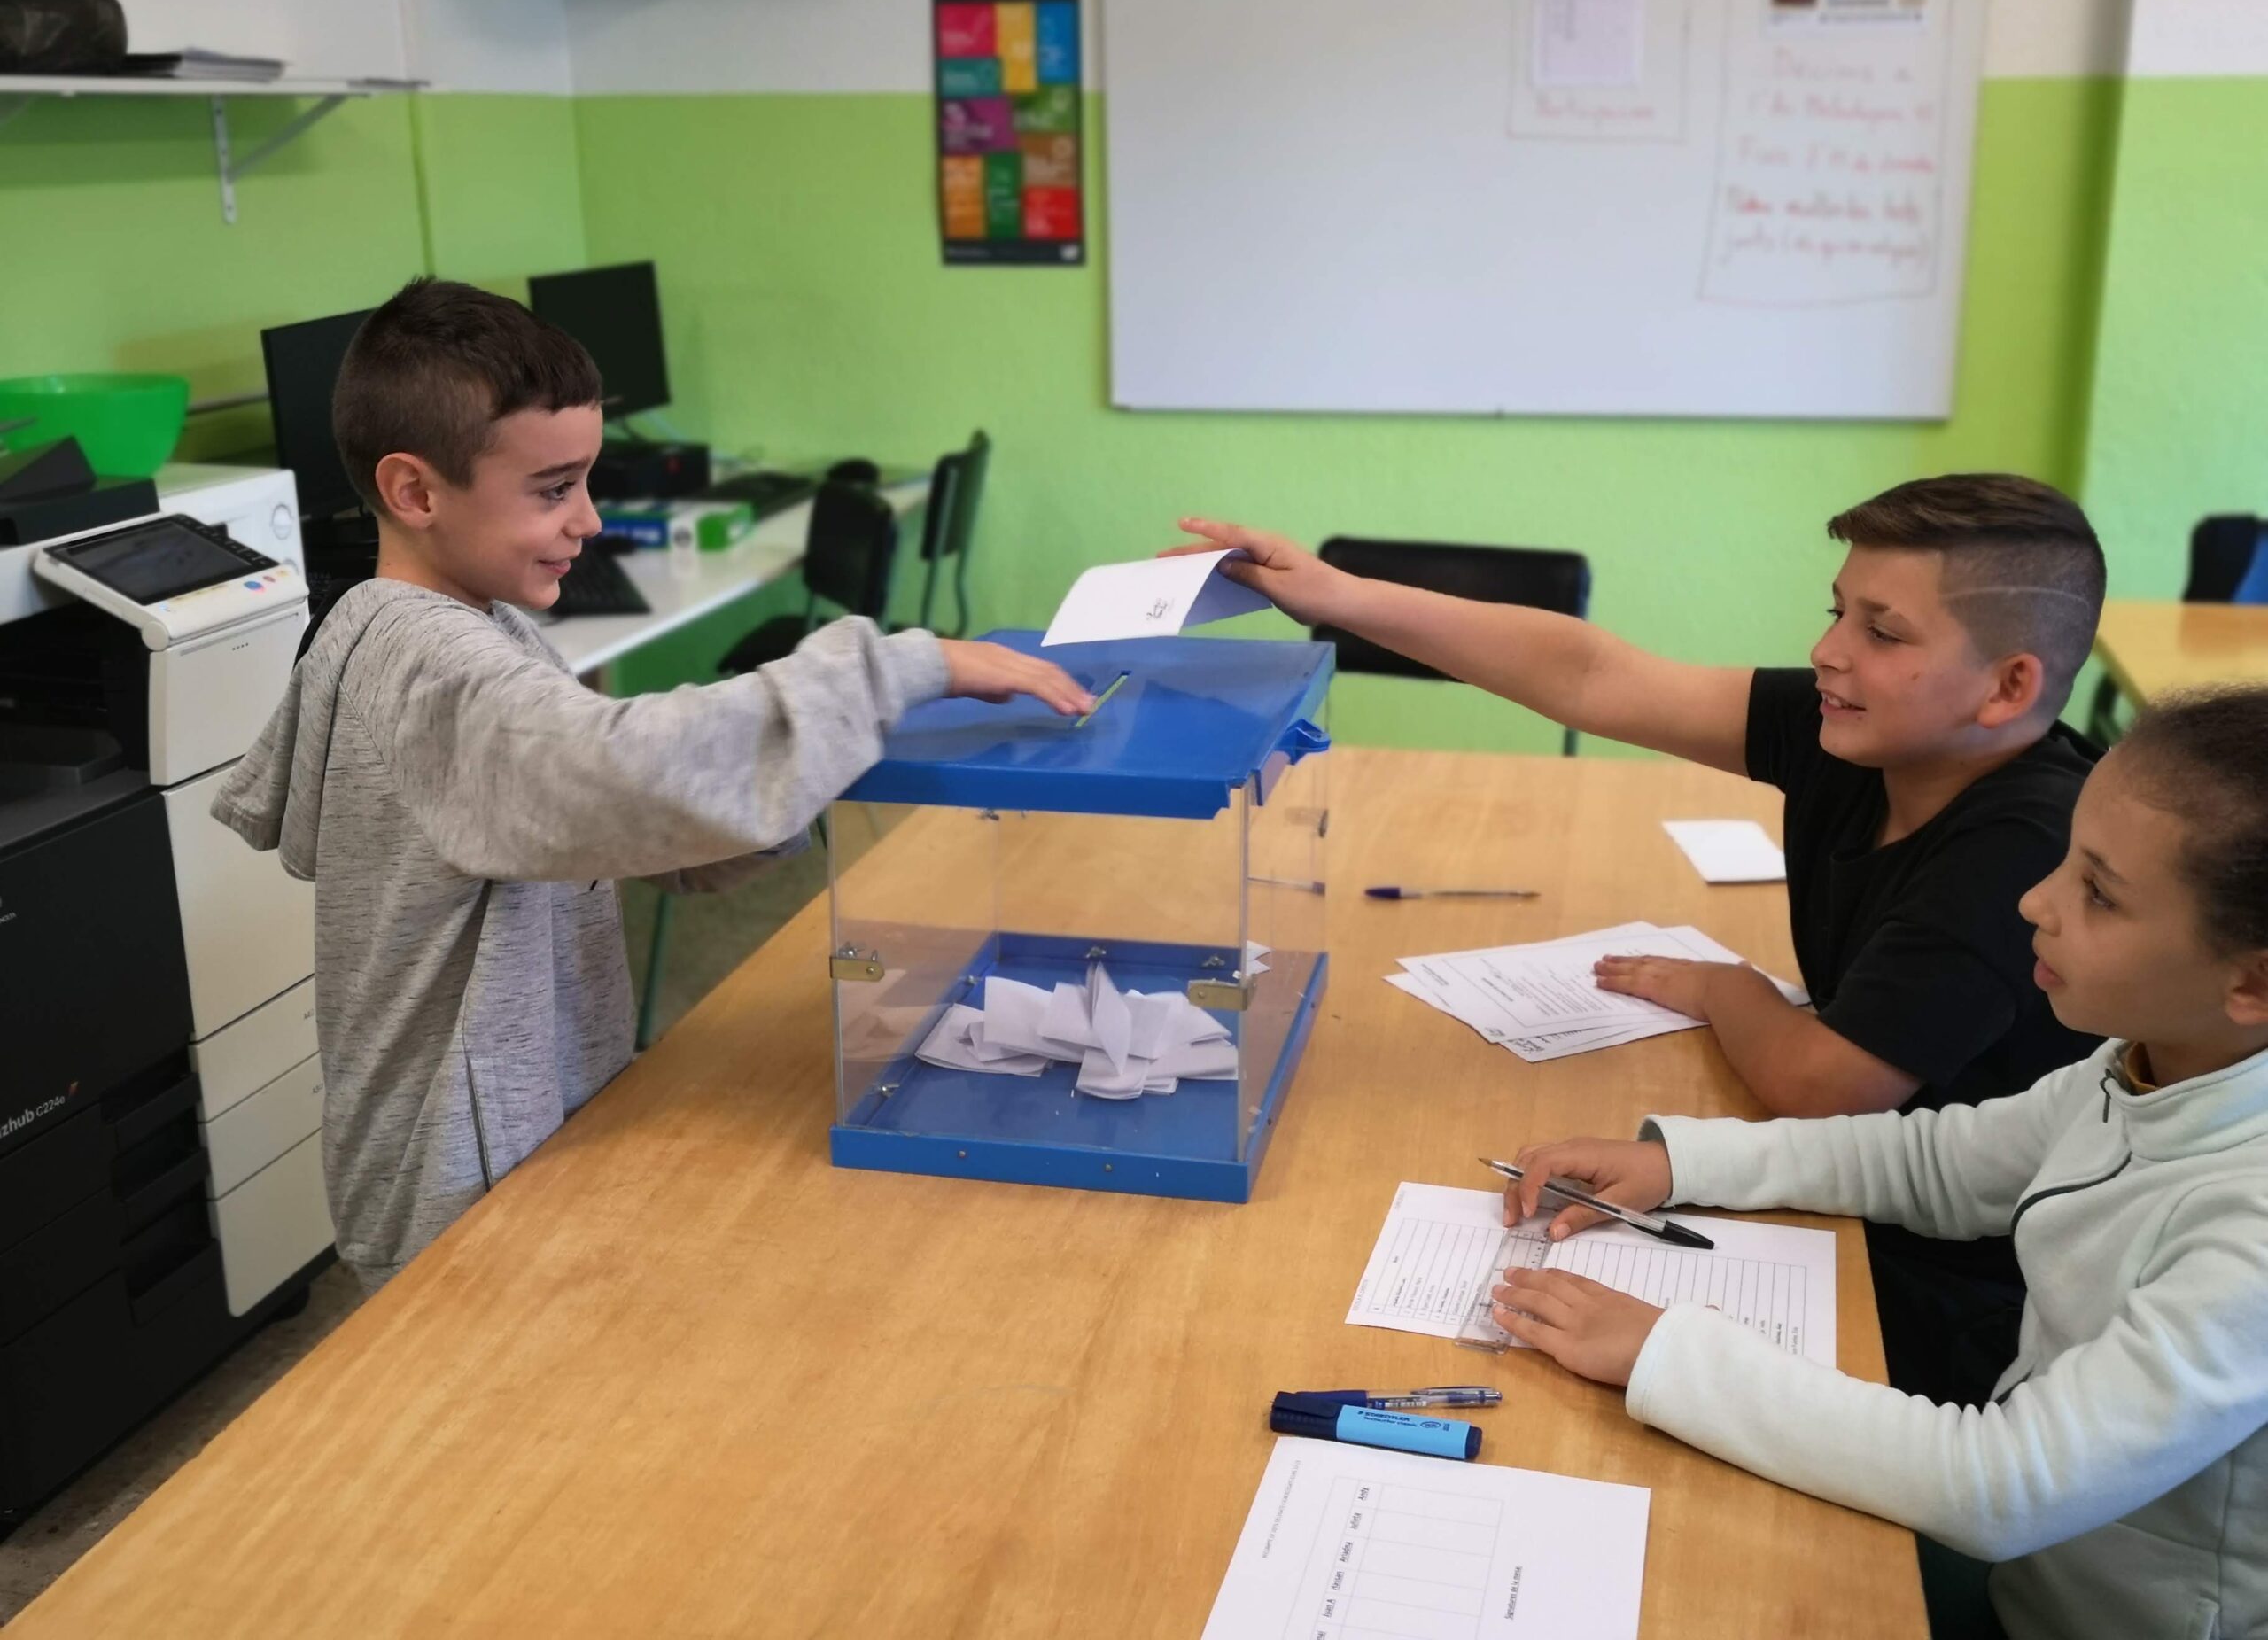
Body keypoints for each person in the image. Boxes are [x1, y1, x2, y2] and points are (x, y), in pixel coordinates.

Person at [215, 277, 1089, 1290]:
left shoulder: (478, 627)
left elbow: (609, 823)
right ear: (415, 492)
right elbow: (618, 767)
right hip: (457, 1184)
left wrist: (815, 763)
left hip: (522, 1137)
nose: (588, 520)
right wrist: (892, 668)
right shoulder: (429, 665)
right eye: (552, 490)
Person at [1170, 478, 2105, 1404]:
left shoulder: (2023, 842)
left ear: (2007, 686)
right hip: (1841, 1197)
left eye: (1882, 633)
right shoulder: (1874, 733)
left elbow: (1825, 1086)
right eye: (1836, 614)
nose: (1827, 652)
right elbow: (1592, 676)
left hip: (1957, 1293)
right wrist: (1334, 595)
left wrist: (1727, 989)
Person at [1491, 684, 2268, 1640]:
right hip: (2041, 1571)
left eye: (2098, 893)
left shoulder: (2252, 1230)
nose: (2035, 901)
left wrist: (1664, 1351)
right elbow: (1940, 1164)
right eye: (2066, 860)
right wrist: (1681, 1161)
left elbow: (2001, 1485)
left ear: (2252, 981)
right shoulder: (2152, 1058)